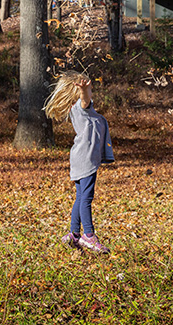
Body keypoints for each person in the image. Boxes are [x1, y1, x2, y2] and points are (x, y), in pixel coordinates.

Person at [44, 71, 114, 254]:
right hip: (85, 159)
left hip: (80, 158)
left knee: (81, 196)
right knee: (86, 198)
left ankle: (74, 234)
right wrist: (84, 90)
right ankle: (88, 235)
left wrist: (84, 91)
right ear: (78, 90)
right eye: (89, 87)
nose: (91, 90)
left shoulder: (79, 110)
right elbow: (85, 99)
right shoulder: (81, 107)